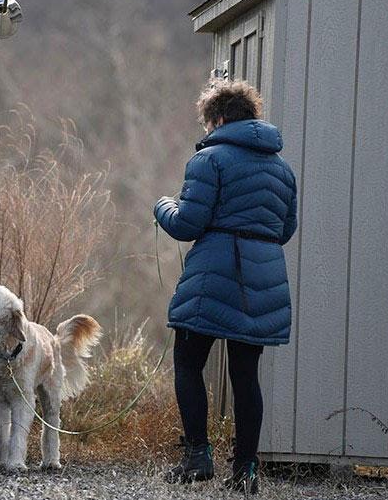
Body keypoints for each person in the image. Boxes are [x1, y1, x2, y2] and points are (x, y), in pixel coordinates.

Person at [153, 80, 297, 495]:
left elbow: (187, 224)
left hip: (213, 278)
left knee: (188, 361)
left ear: (216, 120)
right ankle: (246, 471)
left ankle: (199, 456)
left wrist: (162, 206)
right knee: (245, 376)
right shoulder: (283, 170)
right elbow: (285, 230)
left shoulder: (209, 159)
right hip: (262, 281)